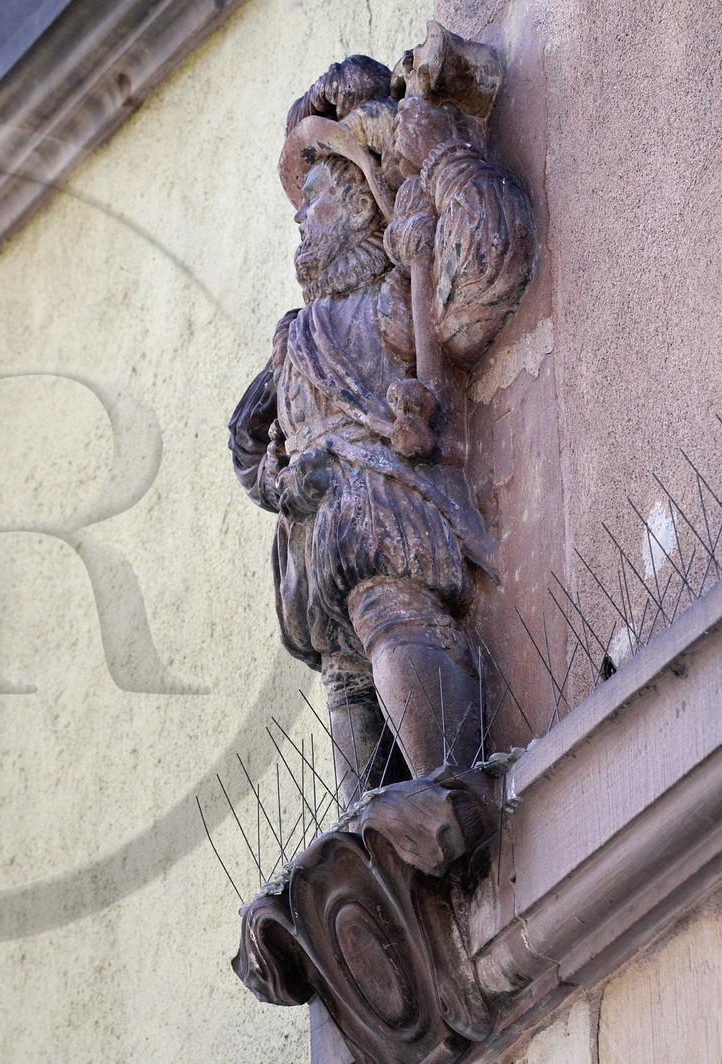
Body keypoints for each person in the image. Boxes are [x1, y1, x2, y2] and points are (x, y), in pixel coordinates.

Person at [229, 56, 534, 800]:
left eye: (318, 199)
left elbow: (477, 290)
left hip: (380, 511)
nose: (302, 217)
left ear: (361, 207)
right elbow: (246, 440)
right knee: (345, 682)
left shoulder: (395, 294)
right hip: (313, 538)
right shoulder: (294, 334)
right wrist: (276, 473)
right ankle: (368, 824)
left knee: (391, 618)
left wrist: (435, 162)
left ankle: (443, 786)